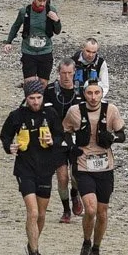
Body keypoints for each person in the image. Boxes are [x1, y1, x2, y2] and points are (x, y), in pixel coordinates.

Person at [0, 78, 67, 255]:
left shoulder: (50, 113)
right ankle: (35, 254)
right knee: (33, 211)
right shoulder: (17, 115)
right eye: (32, 98)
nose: (36, 102)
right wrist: (9, 147)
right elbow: (5, 135)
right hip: (25, 168)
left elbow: (61, 135)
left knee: (42, 214)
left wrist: (53, 140)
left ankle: (31, 244)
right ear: (26, 98)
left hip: (45, 168)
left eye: (38, 97)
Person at [63, 81, 124, 255]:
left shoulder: (111, 110)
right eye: (89, 93)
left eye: (97, 93)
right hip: (84, 166)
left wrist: (112, 137)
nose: (93, 97)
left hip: (105, 167)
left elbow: (122, 135)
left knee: (102, 213)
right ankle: (86, 243)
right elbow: (65, 131)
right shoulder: (74, 111)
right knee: (90, 209)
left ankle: (96, 249)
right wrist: (71, 147)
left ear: (102, 93)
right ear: (84, 94)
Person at [43, 60, 83, 224]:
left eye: (69, 73)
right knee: (62, 177)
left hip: (76, 138)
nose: (66, 77)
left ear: (74, 73)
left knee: (76, 175)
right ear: (58, 73)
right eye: (63, 73)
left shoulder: (81, 90)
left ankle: (74, 193)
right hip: (57, 139)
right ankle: (66, 209)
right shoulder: (50, 90)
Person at [3, 0, 62, 80]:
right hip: (28, 51)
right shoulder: (24, 11)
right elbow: (16, 26)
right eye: (40, 1)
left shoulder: (51, 10)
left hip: (45, 51)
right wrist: (9, 42)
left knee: (43, 83)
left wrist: (57, 21)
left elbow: (57, 31)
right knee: (30, 83)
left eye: (44, 0)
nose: (42, 3)